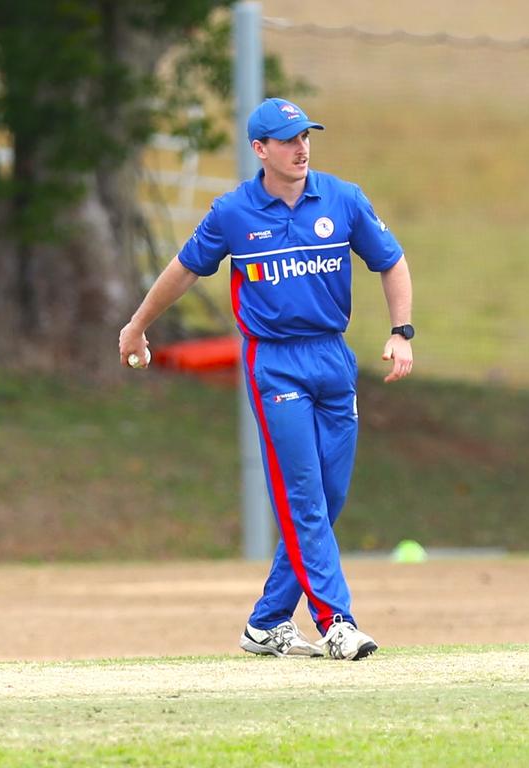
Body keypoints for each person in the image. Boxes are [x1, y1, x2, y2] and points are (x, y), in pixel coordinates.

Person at [118, 97, 413, 661]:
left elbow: (391, 261)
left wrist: (402, 331)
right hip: (274, 362)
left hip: (333, 357)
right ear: (260, 149)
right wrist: (136, 327)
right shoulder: (233, 213)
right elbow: (182, 271)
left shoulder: (344, 199)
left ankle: (267, 622)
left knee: (329, 497)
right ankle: (337, 621)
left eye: (306, 136)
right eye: (287, 139)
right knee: (304, 498)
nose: (301, 147)